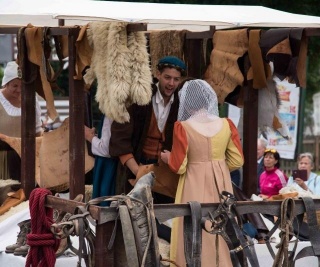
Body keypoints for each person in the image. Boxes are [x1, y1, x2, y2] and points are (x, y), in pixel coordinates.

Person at [160, 79, 244, 267]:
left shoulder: (183, 127)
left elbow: (179, 165)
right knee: (221, 225)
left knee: (192, 225)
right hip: (221, 185)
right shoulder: (226, 124)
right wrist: (219, 167)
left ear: (186, 104)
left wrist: (168, 158)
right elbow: (238, 160)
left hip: (193, 184)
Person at [109, 56, 186, 196]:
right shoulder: (139, 97)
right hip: (136, 169)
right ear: (158, 74)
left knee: (165, 215)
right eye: (167, 77)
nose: (171, 83)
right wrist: (138, 172)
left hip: (166, 175)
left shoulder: (181, 104)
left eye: (176, 79)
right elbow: (119, 138)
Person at [0, 61, 42, 181]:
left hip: (26, 158)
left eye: (22, 85)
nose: (19, 90)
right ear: (6, 84)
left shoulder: (31, 99)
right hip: (1, 158)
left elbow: (37, 131)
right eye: (14, 85)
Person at [84, 115, 118, 205]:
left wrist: (90, 137)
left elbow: (105, 149)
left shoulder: (110, 115)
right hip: (108, 164)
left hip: (108, 165)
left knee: (105, 200)